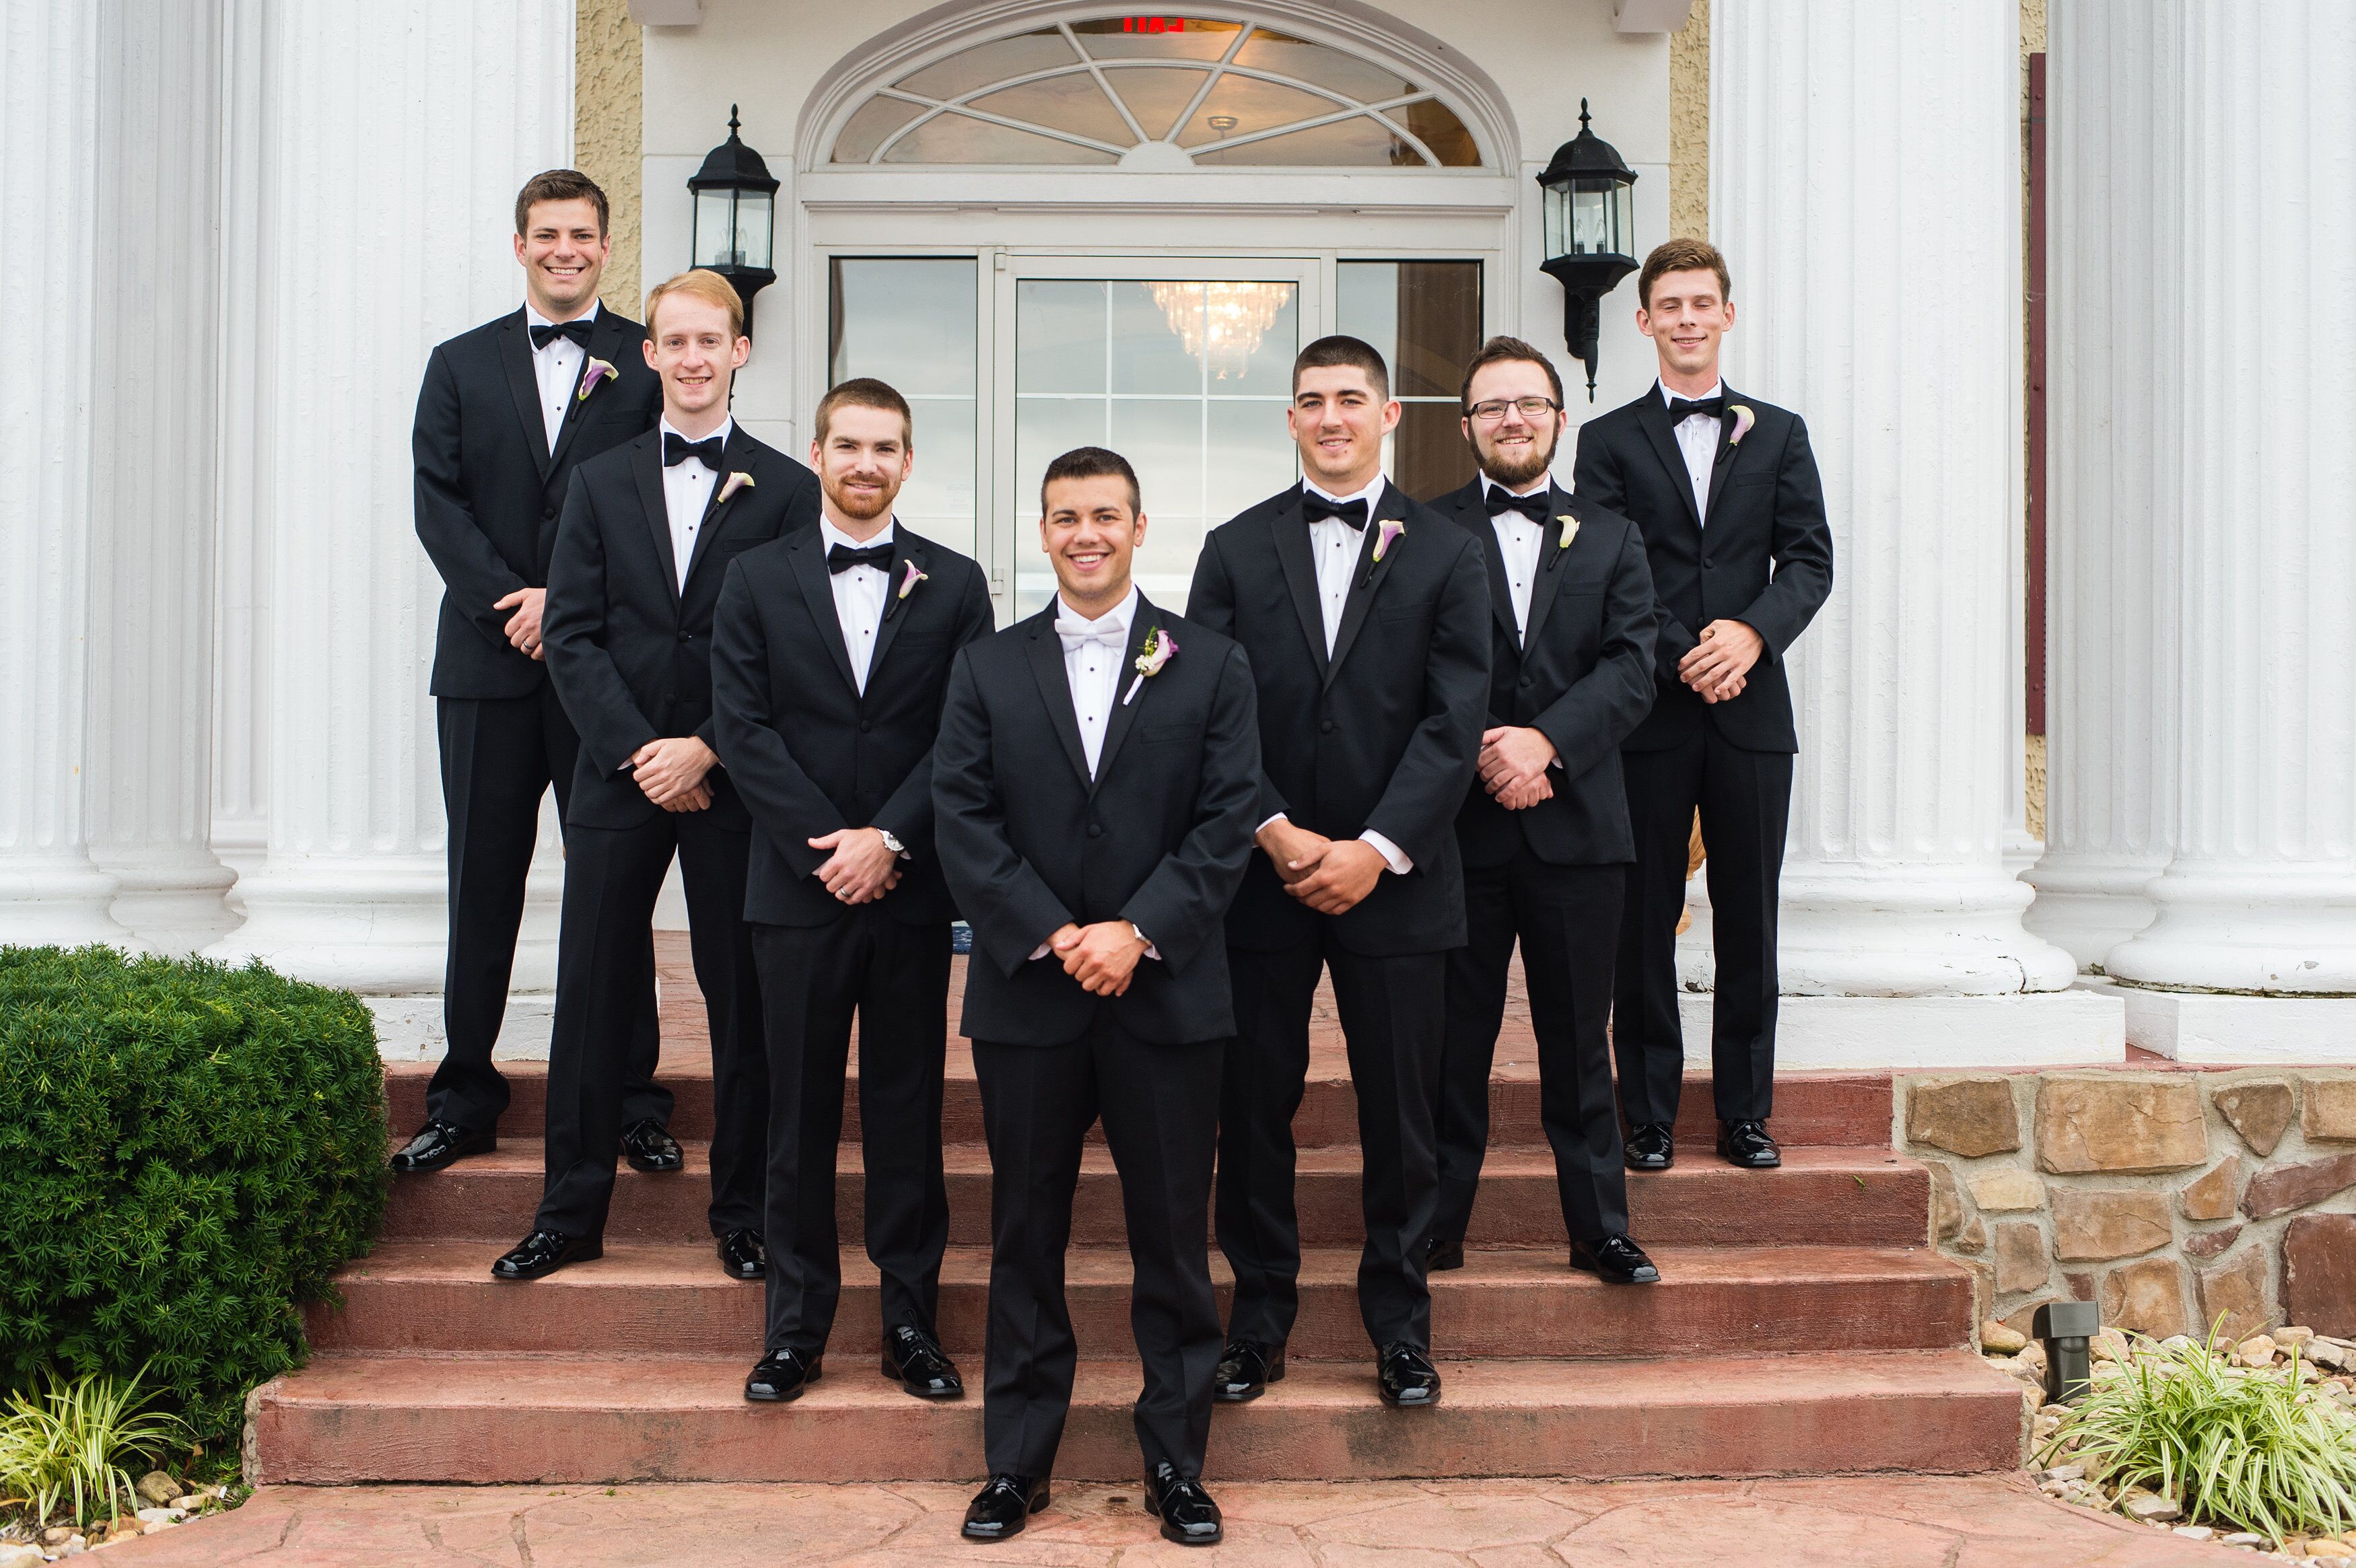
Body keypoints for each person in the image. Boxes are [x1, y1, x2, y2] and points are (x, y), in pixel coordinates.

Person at [933, 447, 1259, 1547]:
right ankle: (1016, 1462)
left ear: (1139, 525)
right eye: (1066, 517)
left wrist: (1140, 931)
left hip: (1166, 996)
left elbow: (1226, 823)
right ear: (1042, 531)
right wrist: (1056, 932)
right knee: (1026, 1232)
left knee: (1173, 1236)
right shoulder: (986, 665)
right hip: (1030, 995)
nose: (1086, 533)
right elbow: (962, 818)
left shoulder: (1211, 662)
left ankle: (1177, 1459)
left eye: (1105, 516)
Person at [491, 269, 820, 1282]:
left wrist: (709, 747)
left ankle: (746, 1212)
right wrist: (644, 752)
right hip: (616, 774)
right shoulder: (600, 481)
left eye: (708, 341)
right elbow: (575, 635)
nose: (689, 358)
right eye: (672, 341)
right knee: (590, 996)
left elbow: (791, 649)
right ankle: (569, 1213)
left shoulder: (791, 490)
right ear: (650, 355)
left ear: (740, 352)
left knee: (745, 1001)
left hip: (735, 780)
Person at [1187, 336, 1490, 1410]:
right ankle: (1258, 1320)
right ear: (1290, 419)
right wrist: (1272, 830)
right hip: (1260, 880)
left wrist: (1374, 848)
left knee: (1401, 1115)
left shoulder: (1451, 551)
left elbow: (1457, 721)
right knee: (1252, 1106)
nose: (1330, 417)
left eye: (1349, 399)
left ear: (1390, 412)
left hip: (1399, 880)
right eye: (1311, 401)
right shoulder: (1231, 548)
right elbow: (1210, 718)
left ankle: (1400, 1328)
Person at [710, 378, 994, 1406]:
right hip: (795, 889)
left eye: (886, 448)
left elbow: (964, 735)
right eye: (849, 446)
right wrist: (829, 843)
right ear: (819, 454)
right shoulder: (754, 577)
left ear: (908, 463)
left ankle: (910, 1322)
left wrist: (890, 839)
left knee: (907, 1112)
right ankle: (796, 1329)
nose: (866, 463)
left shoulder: (956, 584)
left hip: (911, 893)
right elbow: (741, 726)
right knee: (795, 1114)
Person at [401, 169, 671, 1177]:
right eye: (548, 233)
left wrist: (564, 603)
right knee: (482, 881)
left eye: (584, 234)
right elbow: (438, 502)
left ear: (607, 245)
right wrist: (511, 603)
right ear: (520, 244)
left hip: (602, 669)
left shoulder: (644, 365)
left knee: (617, 886)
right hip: (485, 665)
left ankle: (636, 1098)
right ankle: (465, 1092)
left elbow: (654, 505)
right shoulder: (458, 363)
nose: (567, 249)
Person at [1573, 238, 1834, 1174]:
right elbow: (1606, 565)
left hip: (1753, 713)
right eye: (1669, 305)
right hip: (1648, 714)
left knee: (1748, 913)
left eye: (1701, 303)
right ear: (1643, 321)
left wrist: (1751, 637)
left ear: (1728, 314)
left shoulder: (1781, 434)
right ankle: (1645, 1113)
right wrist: (1688, 649)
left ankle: (1744, 1114)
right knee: (1642, 916)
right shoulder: (1604, 444)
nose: (1686, 319)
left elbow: (1809, 560)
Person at [1423, 336, 1660, 1284]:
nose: (1512, 418)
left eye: (1530, 403)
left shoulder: (1612, 537)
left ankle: (1600, 1226)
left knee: (1577, 1043)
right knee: (1452, 1045)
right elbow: (1417, 670)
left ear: (1560, 420)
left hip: (1578, 827)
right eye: (1492, 406)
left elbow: (1633, 666)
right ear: (1468, 425)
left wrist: (1544, 744)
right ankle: (1436, 1224)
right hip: (1461, 830)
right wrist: (1491, 750)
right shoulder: (1426, 534)